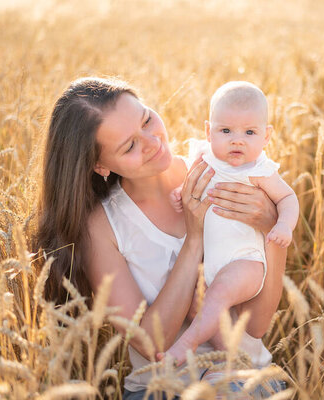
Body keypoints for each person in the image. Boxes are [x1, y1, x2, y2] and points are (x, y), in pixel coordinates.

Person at [35, 77, 287, 399]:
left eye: (146, 119)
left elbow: (256, 326)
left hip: (246, 380)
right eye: (129, 146)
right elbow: (152, 342)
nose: (152, 141)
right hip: (160, 390)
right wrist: (194, 240)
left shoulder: (221, 170)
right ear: (99, 165)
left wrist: (271, 227)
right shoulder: (102, 227)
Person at [163, 81, 299, 366]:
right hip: (210, 262)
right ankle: (236, 360)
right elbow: (191, 185)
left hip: (245, 263)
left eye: (250, 132)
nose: (238, 140)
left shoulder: (259, 170)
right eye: (226, 131)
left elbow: (287, 197)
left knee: (219, 294)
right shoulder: (204, 158)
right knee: (195, 305)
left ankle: (187, 344)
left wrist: (284, 224)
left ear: (266, 136)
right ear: (208, 131)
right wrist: (180, 194)